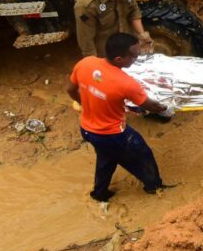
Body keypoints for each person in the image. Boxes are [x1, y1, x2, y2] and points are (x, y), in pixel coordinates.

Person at [67, 32, 169, 201]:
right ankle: (154, 186)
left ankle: (99, 193)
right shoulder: (126, 83)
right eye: (134, 57)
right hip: (112, 134)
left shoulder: (86, 63)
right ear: (118, 59)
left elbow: (70, 90)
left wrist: (86, 103)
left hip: (87, 128)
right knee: (142, 154)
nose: (136, 59)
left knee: (106, 158)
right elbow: (151, 106)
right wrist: (168, 107)